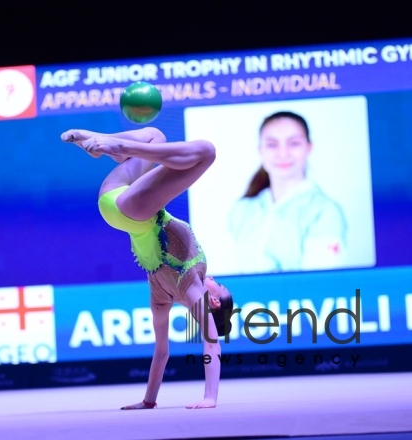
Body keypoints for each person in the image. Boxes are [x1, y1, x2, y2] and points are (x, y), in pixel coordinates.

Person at [61, 127, 234, 410]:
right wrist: (148, 401)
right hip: (116, 200)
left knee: (206, 152)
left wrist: (209, 397)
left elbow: (212, 343)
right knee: (155, 135)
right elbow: (162, 352)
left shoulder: (191, 288)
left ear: (213, 300)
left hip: (136, 210)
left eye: (220, 286)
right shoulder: (162, 299)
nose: (215, 280)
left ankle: (114, 146)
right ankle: (97, 143)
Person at [230, 111, 347, 274]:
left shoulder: (324, 211)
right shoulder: (242, 209)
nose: (283, 153)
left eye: (294, 143)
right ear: (260, 150)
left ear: (309, 147)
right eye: (272, 144)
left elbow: (321, 284)